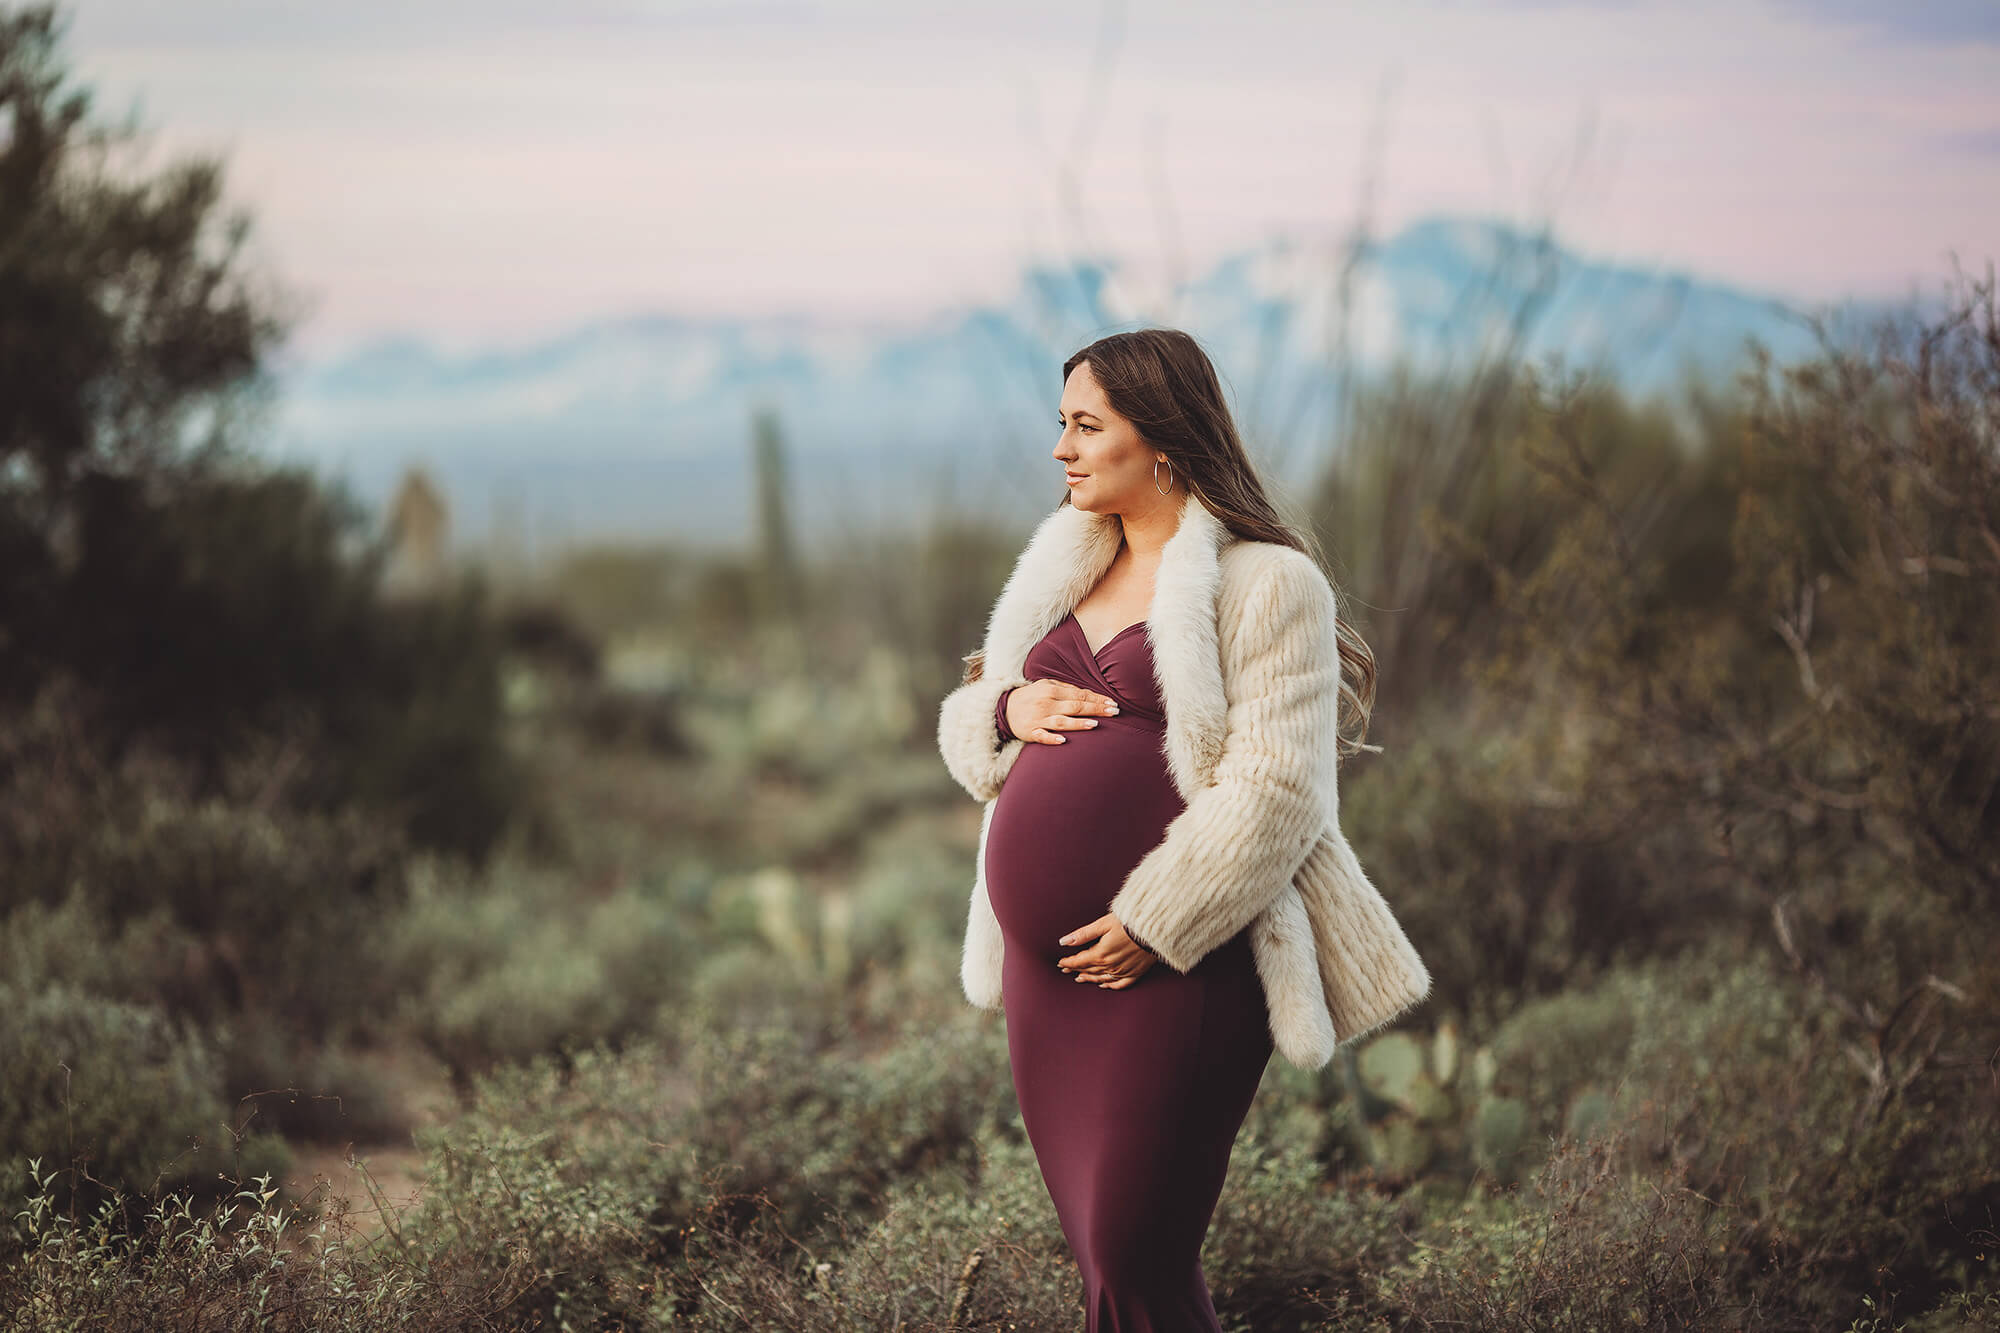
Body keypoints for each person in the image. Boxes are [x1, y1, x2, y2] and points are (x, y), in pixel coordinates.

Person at [935, 328, 1432, 1331]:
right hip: (1050, 979)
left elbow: (1280, 790)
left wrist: (1155, 921)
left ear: (1159, 440)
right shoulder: (1063, 563)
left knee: (1132, 1244)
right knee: (1104, 1259)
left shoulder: (1266, 584)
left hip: (1180, 963)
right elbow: (971, 719)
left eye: (1085, 426)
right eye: (1060, 425)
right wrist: (1002, 709)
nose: (1060, 449)